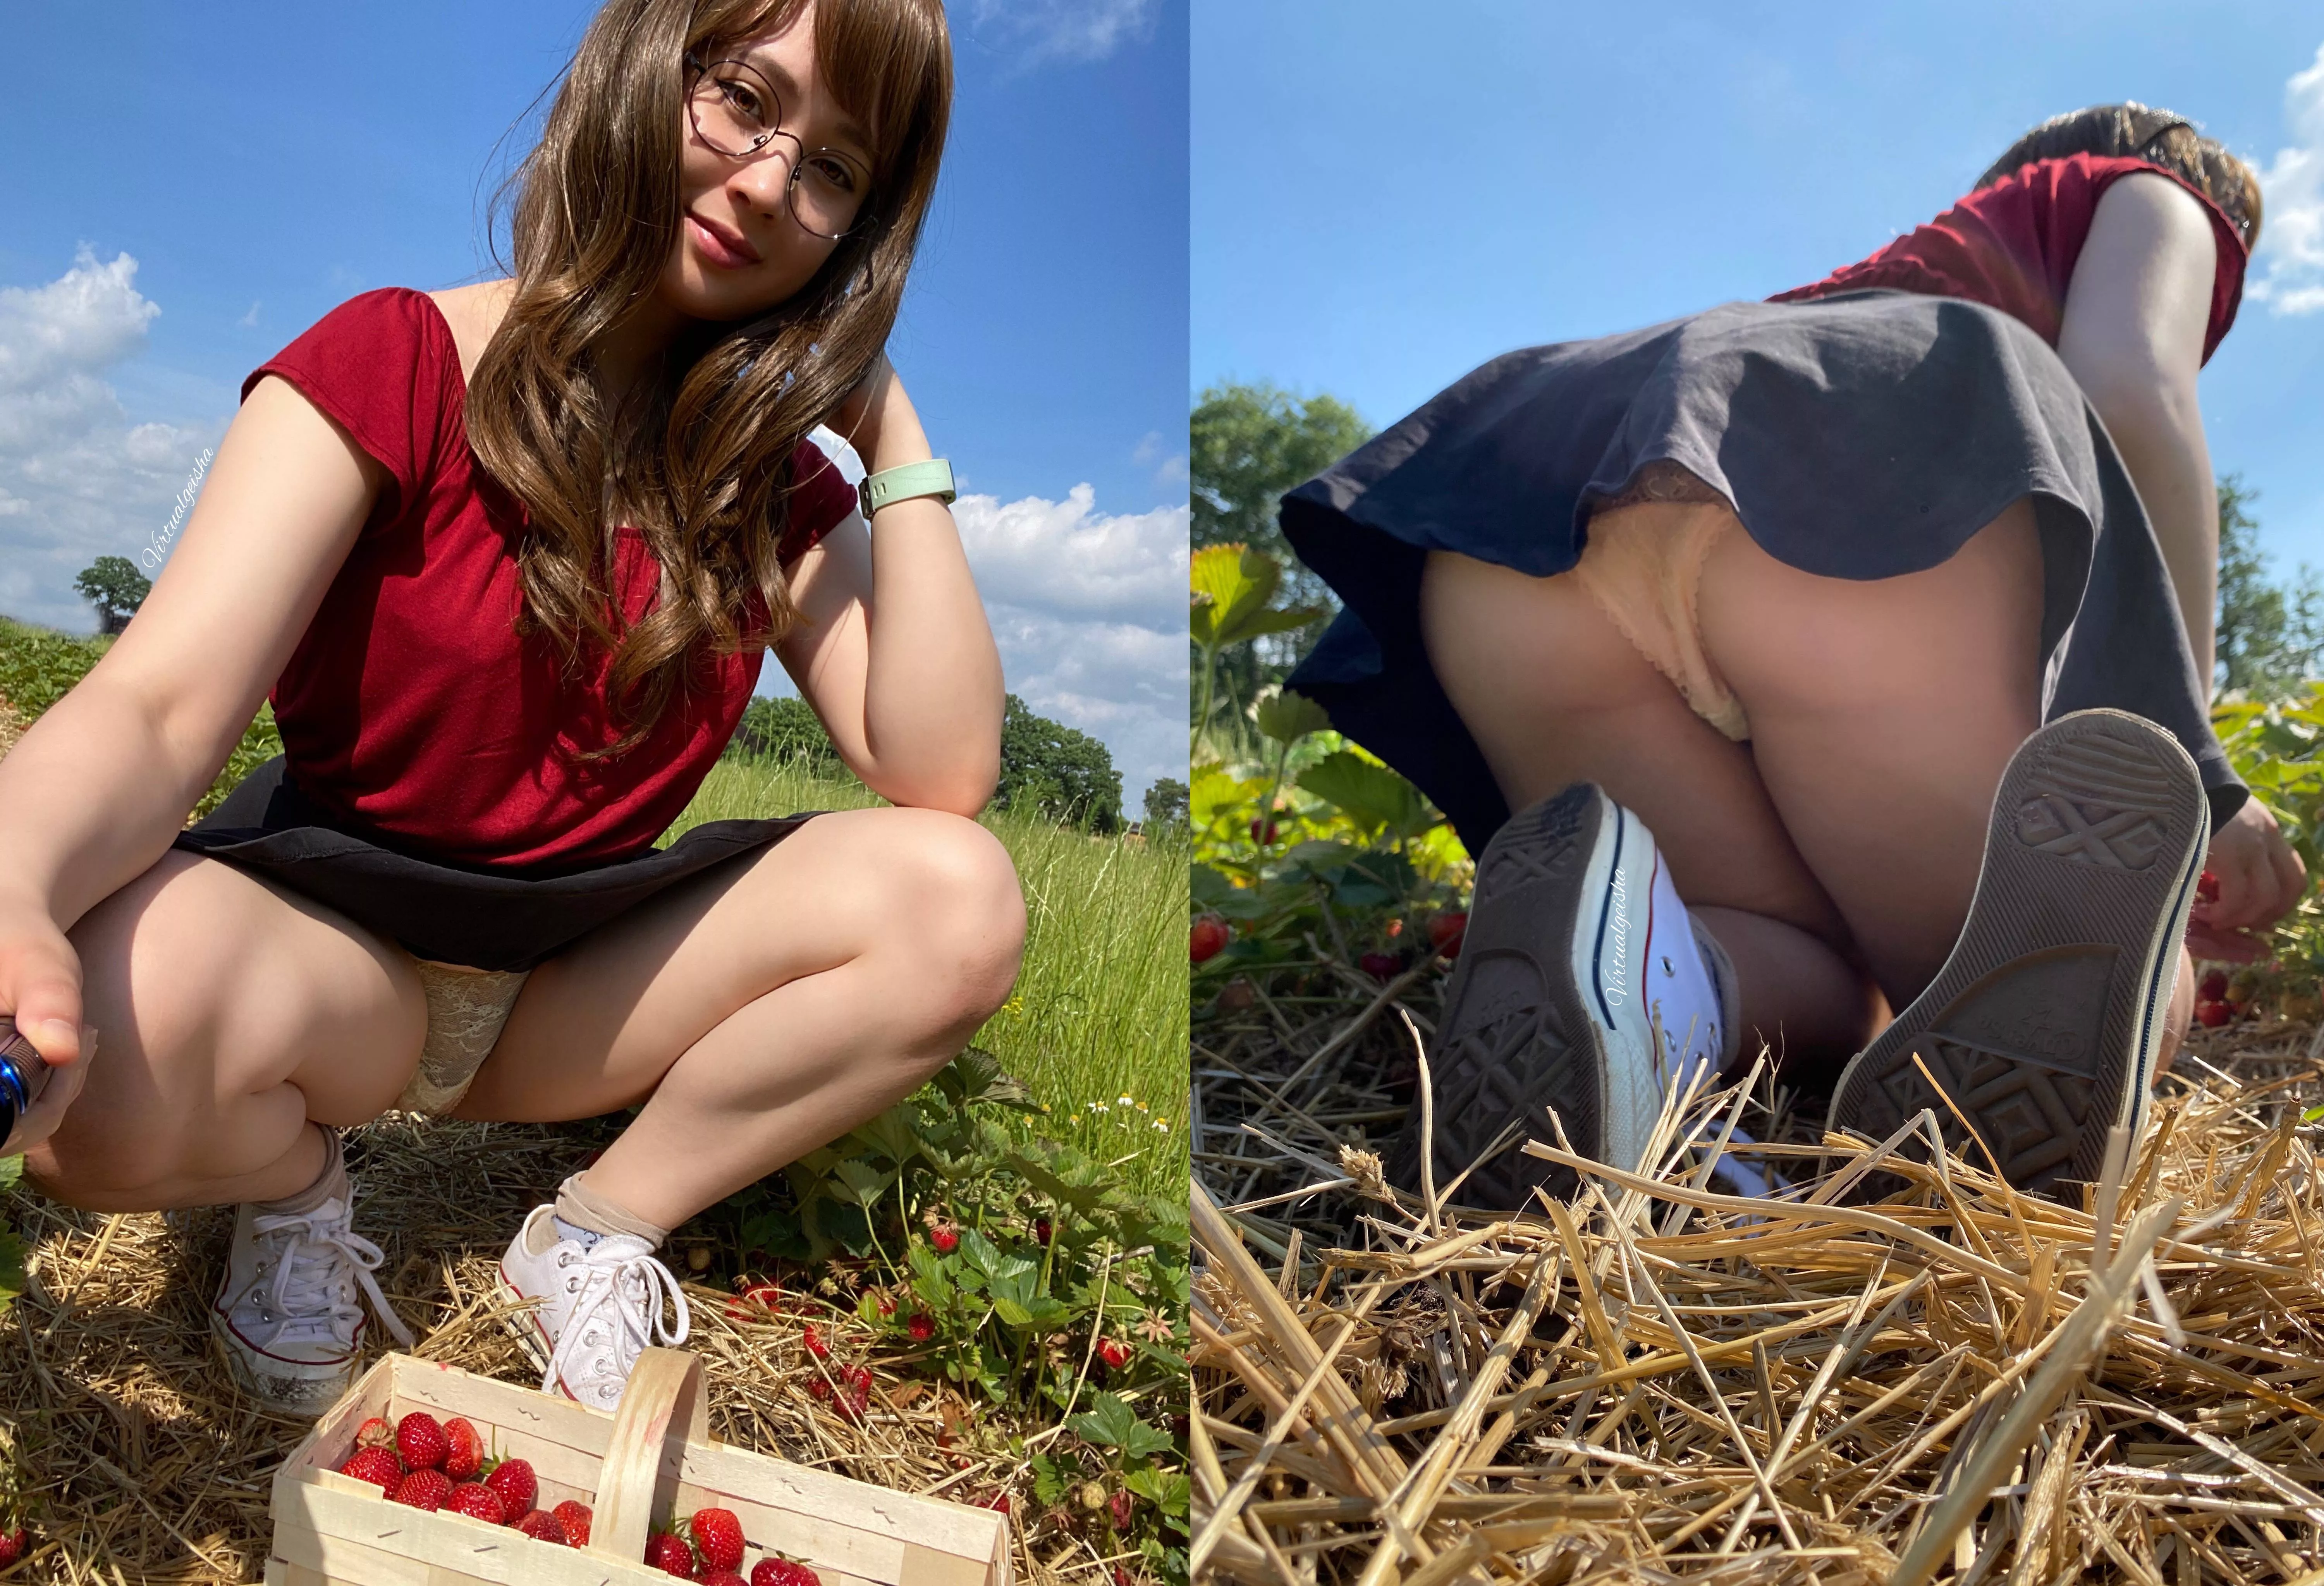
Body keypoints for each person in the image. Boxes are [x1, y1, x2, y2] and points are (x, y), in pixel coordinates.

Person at [0, 0, 1026, 1416]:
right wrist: (14, 881)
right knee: (103, 1058)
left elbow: (944, 764)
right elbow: (162, 705)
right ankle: (298, 1186)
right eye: (738, 95)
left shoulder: (768, 490)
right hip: (327, 948)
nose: (770, 184)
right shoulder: (393, 360)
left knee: (958, 895)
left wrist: (892, 430)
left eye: (836, 169)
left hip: (568, 987)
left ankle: (598, 1224)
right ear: (640, 66)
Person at [1277, 105, 2302, 1208]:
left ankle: (1667, 986)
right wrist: (2195, 759)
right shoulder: (2149, 191)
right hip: (1860, 487)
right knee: (2121, 972)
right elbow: (2133, 384)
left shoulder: (1919, 253)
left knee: (1810, 966)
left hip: (1524, 517)